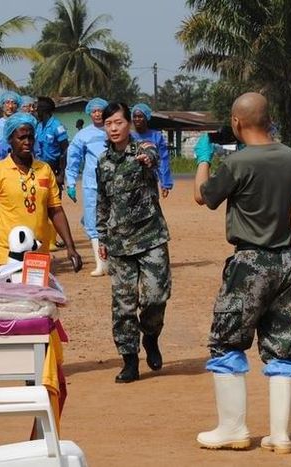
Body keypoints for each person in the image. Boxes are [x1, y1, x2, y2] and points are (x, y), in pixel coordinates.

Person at [194, 92, 291, 453]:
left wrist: (203, 160)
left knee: (226, 341)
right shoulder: (290, 157)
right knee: (282, 345)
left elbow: (203, 196)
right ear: (268, 118)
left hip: (250, 262)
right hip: (286, 260)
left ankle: (233, 428)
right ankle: (281, 435)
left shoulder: (239, 163)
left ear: (237, 122)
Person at [96, 102, 171, 384]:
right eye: (108, 124)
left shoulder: (143, 150)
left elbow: (152, 155)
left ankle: (150, 336)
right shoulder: (103, 163)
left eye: (118, 122)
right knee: (123, 305)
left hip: (151, 237)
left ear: (128, 124)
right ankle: (129, 360)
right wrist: (102, 236)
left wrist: (148, 160)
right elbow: (102, 203)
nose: (114, 128)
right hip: (119, 243)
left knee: (155, 297)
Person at [0, 112, 82, 275]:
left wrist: (71, 248)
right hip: (7, 251)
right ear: (10, 140)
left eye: (30, 137)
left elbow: (55, 210)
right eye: (21, 138)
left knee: (35, 298)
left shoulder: (44, 170)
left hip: (38, 251)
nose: (27, 142)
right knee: (13, 295)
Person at [65, 97, 108, 276]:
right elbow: (73, 159)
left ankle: (113, 261)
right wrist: (71, 182)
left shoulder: (113, 129)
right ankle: (100, 263)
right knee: (92, 221)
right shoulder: (83, 135)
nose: (97, 113)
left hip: (114, 184)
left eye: (100, 110)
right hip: (91, 184)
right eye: (94, 110)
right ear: (90, 113)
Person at [35, 97, 69, 250]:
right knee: (38, 204)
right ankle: (42, 237)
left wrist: (61, 174)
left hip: (53, 169)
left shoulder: (57, 126)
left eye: (38, 109)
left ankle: (53, 240)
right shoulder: (38, 126)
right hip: (38, 169)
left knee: (53, 205)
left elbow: (65, 151)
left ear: (46, 110)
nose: (36, 111)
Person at [131, 103, 173, 198]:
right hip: (131, 181)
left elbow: (163, 160)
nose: (137, 119)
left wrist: (165, 184)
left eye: (140, 116)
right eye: (135, 116)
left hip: (150, 182)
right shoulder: (128, 137)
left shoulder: (156, 136)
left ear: (146, 118)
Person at [0, 91, 21, 155]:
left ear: (18, 106)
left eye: (14, 103)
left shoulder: (23, 125)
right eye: (7, 103)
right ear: (2, 105)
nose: (10, 106)